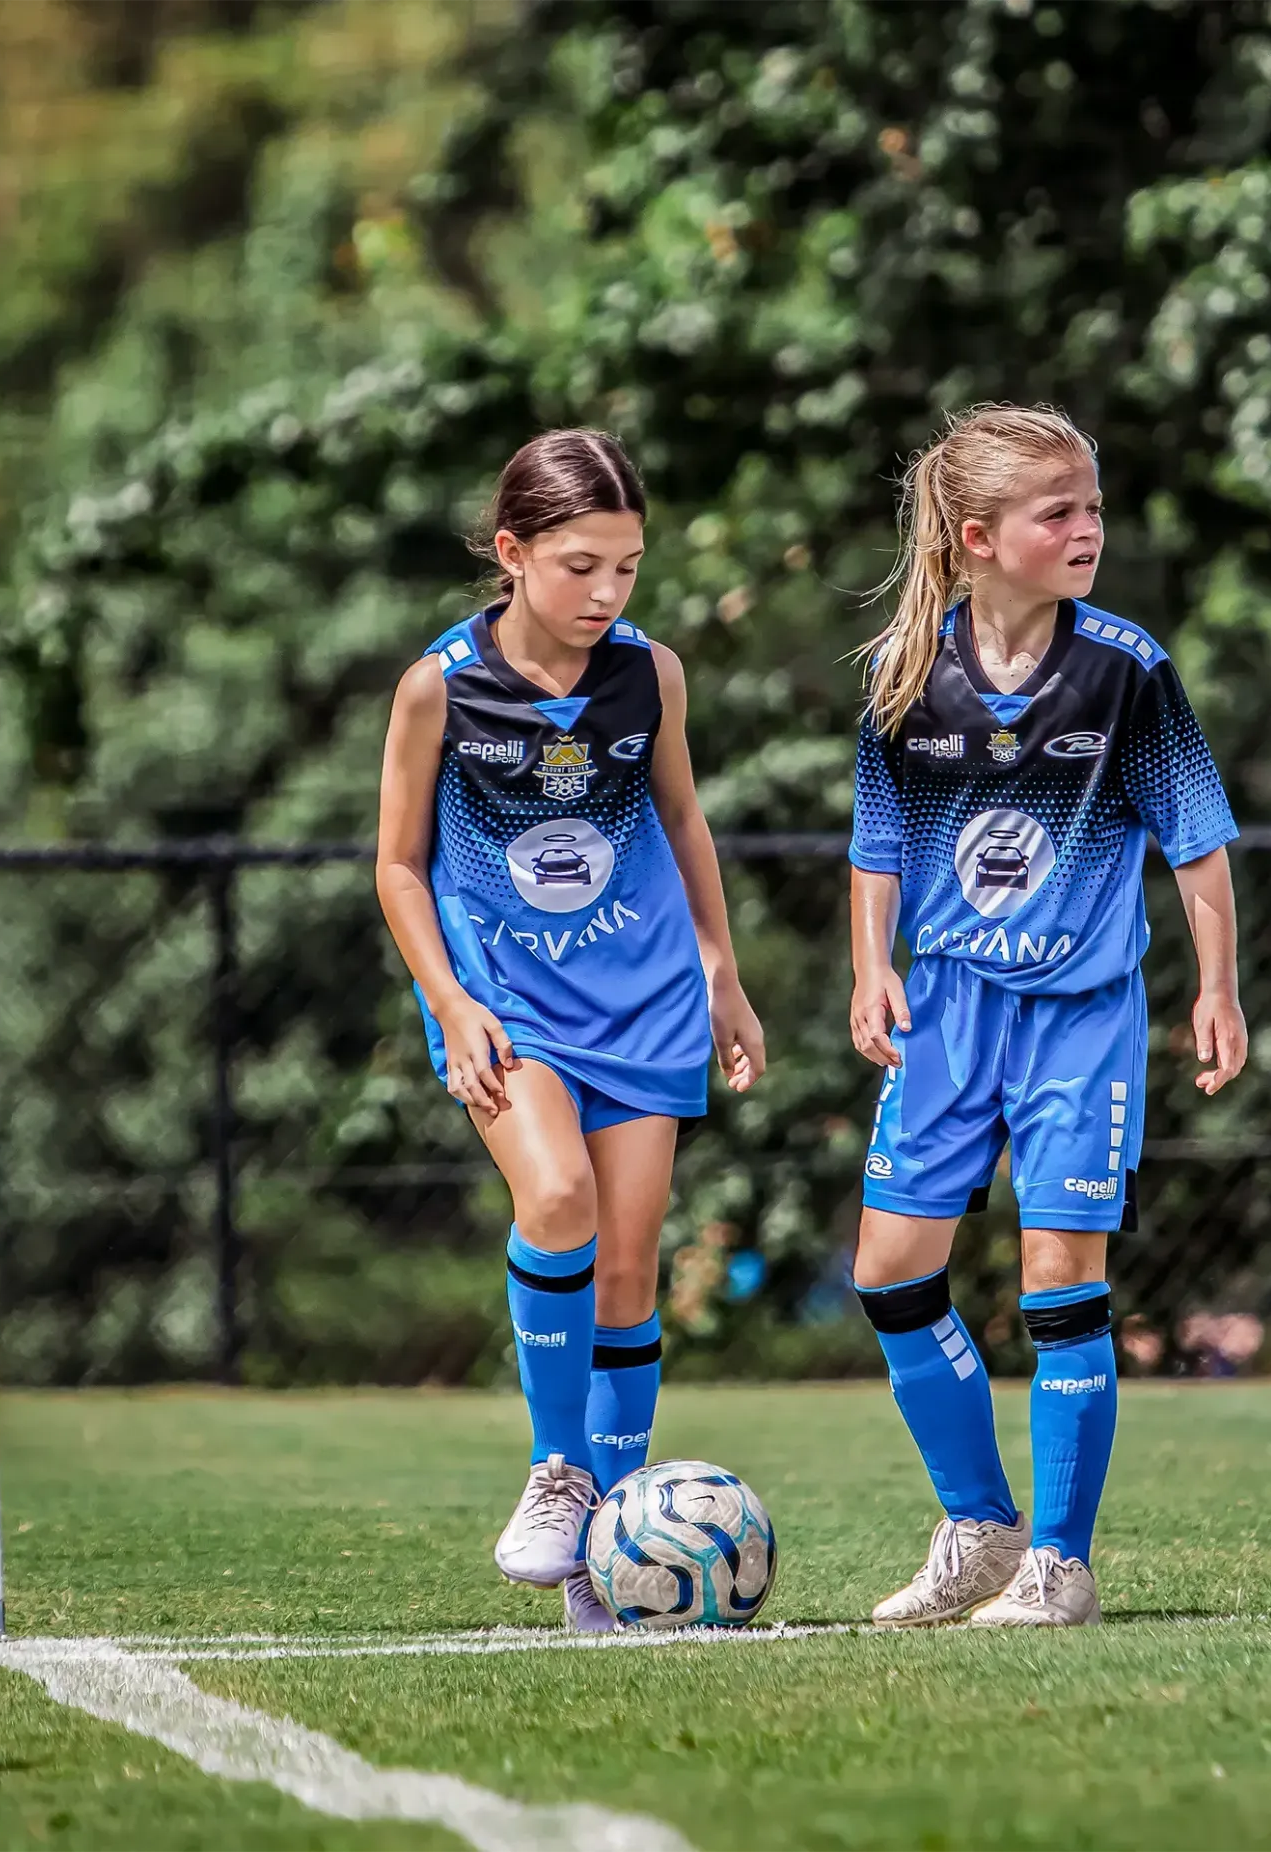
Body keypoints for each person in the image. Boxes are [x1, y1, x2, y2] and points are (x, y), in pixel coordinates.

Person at [847, 403, 1246, 1627]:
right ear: (977, 536)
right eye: (1058, 512)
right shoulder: (905, 674)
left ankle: (1058, 1564)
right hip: (951, 1012)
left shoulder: (1128, 668)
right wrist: (873, 967)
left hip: (1081, 1018)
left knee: (1059, 1281)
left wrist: (1217, 985)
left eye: (1094, 508)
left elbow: (1196, 841)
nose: (1089, 529)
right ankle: (978, 1524)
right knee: (889, 1273)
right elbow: (879, 841)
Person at [376, 429, 765, 1631]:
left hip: (642, 995)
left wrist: (722, 975)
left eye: (628, 570)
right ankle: (562, 1476)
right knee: (556, 1204)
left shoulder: (654, 675)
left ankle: (605, 1565)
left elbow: (686, 823)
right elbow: (397, 865)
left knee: (631, 1274)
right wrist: (450, 999)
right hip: (509, 1000)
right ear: (513, 553)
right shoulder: (440, 684)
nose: (606, 594)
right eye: (580, 566)